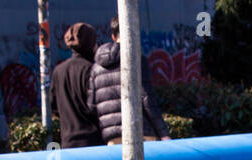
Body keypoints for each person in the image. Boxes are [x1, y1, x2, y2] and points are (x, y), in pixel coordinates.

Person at [88, 16, 172, 144]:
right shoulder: (136, 59)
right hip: (141, 132)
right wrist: (163, 134)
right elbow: (147, 98)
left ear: (113, 36)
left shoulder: (96, 67)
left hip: (112, 136)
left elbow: (92, 106)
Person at [50, 22, 103, 148]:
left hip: (68, 141)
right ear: (91, 44)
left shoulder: (59, 70)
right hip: (94, 142)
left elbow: (53, 105)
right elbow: (99, 106)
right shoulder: (93, 69)